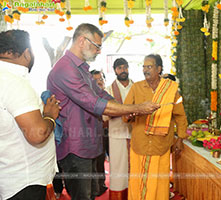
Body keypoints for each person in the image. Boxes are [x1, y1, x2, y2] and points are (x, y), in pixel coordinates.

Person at [47, 23, 160, 200]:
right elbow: (94, 103)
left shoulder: (81, 68)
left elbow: (101, 94)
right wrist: (137, 108)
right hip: (75, 148)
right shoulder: (65, 69)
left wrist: (124, 110)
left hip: (89, 144)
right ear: (82, 41)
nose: (99, 51)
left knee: (92, 194)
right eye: (97, 46)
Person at [0, 30, 60, 200]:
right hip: (25, 183)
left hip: (10, 175)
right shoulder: (13, 82)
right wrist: (49, 115)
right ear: (27, 53)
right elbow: (37, 133)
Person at [123, 54, 188, 200]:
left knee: (159, 181)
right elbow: (125, 112)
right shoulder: (136, 87)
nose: (145, 70)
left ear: (159, 69)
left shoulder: (171, 90)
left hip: (161, 145)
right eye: (144, 67)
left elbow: (180, 115)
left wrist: (180, 138)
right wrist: (129, 115)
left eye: (149, 66)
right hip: (140, 144)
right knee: (137, 181)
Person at [104, 58, 133, 199]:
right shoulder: (108, 90)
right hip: (117, 135)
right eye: (120, 68)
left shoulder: (137, 87)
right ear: (115, 70)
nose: (123, 70)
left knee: (136, 168)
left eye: (125, 67)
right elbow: (104, 114)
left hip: (135, 134)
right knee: (118, 170)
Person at [90, 69, 109, 196]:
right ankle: (94, 186)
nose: (99, 82)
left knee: (102, 159)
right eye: (95, 80)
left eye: (101, 79)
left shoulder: (108, 95)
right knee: (94, 160)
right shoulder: (88, 97)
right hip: (90, 134)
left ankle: (101, 184)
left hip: (108, 132)